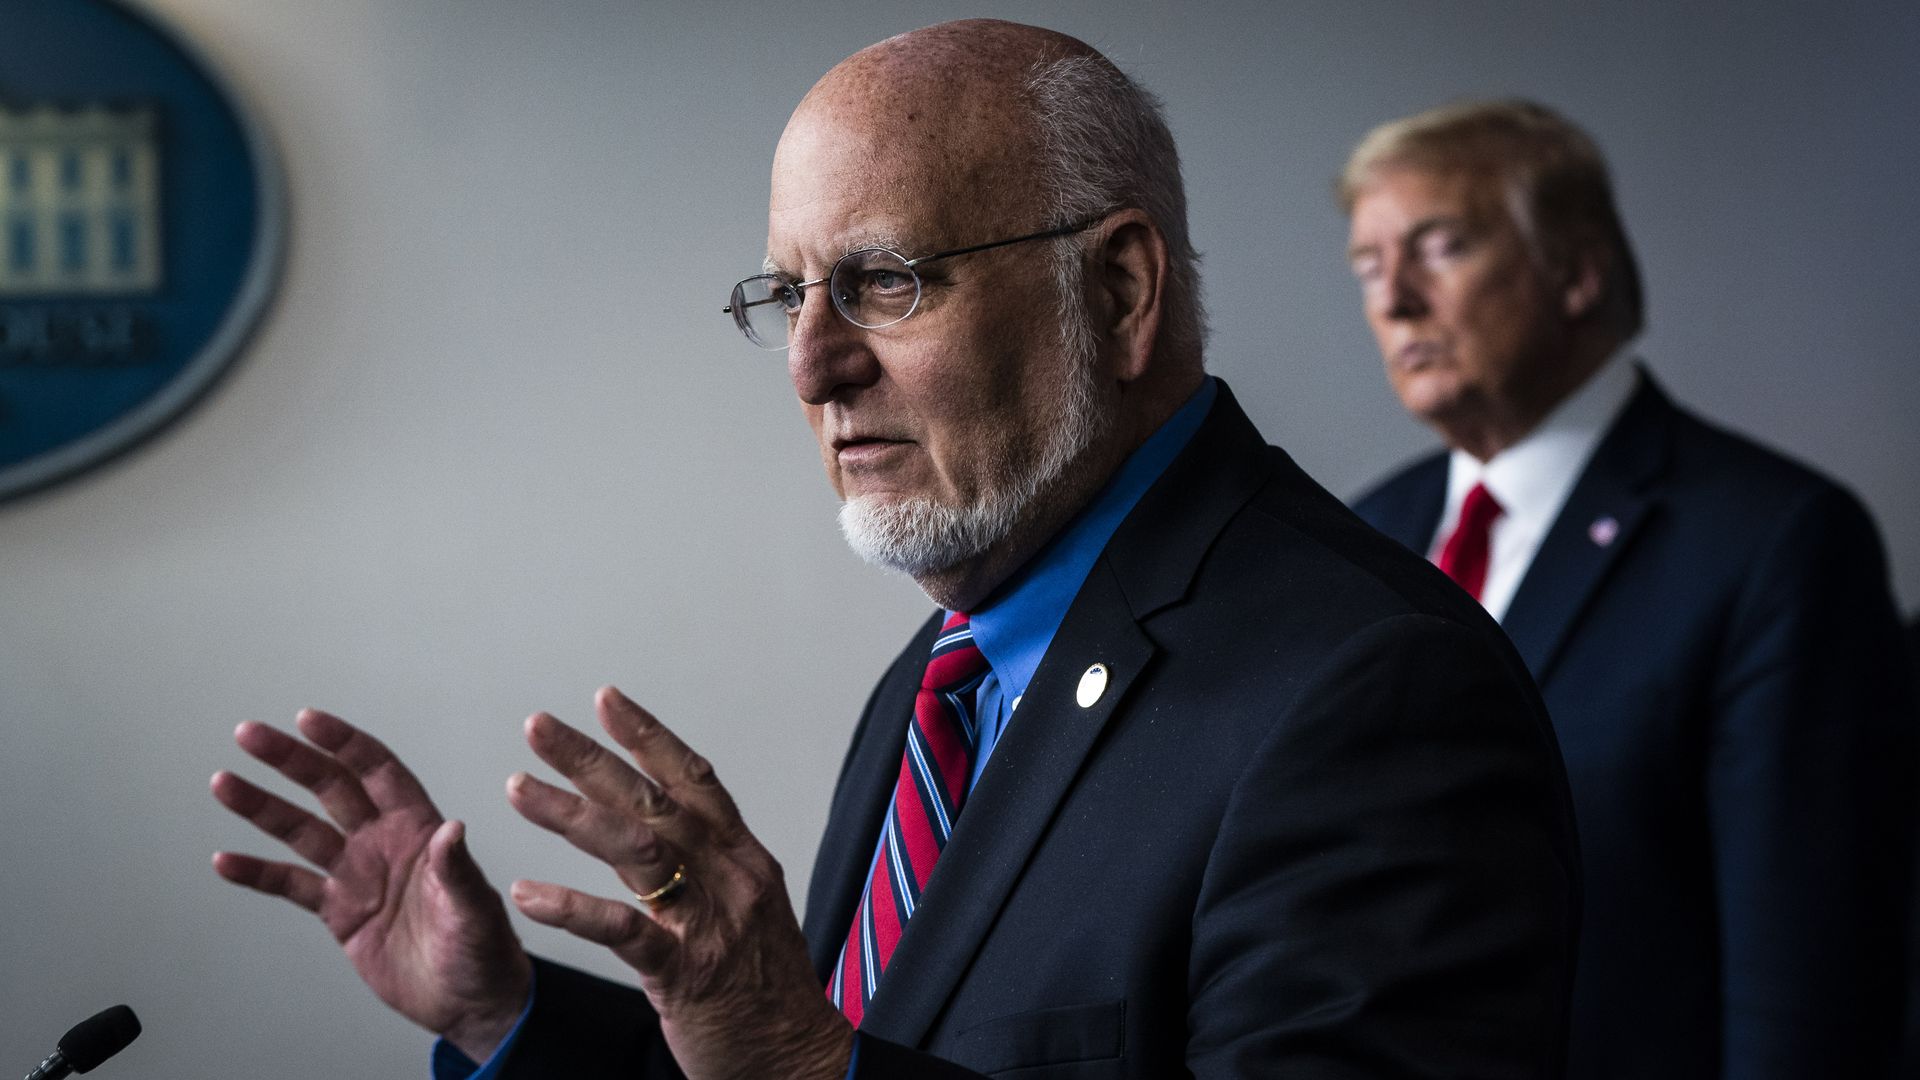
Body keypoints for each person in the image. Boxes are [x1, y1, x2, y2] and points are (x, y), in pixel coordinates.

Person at [211, 23, 1581, 1079]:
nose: (814, 365)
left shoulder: (1370, 694)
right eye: (787, 294)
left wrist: (807, 1061)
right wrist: (509, 1015)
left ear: (1117, 290)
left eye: (885, 281)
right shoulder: (945, 675)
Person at [1341, 99, 1916, 1079]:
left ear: (1577, 269)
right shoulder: (1360, 534)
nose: (1394, 300)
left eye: (1440, 248)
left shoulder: (1777, 543)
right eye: (1367, 265)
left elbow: (1807, 995)